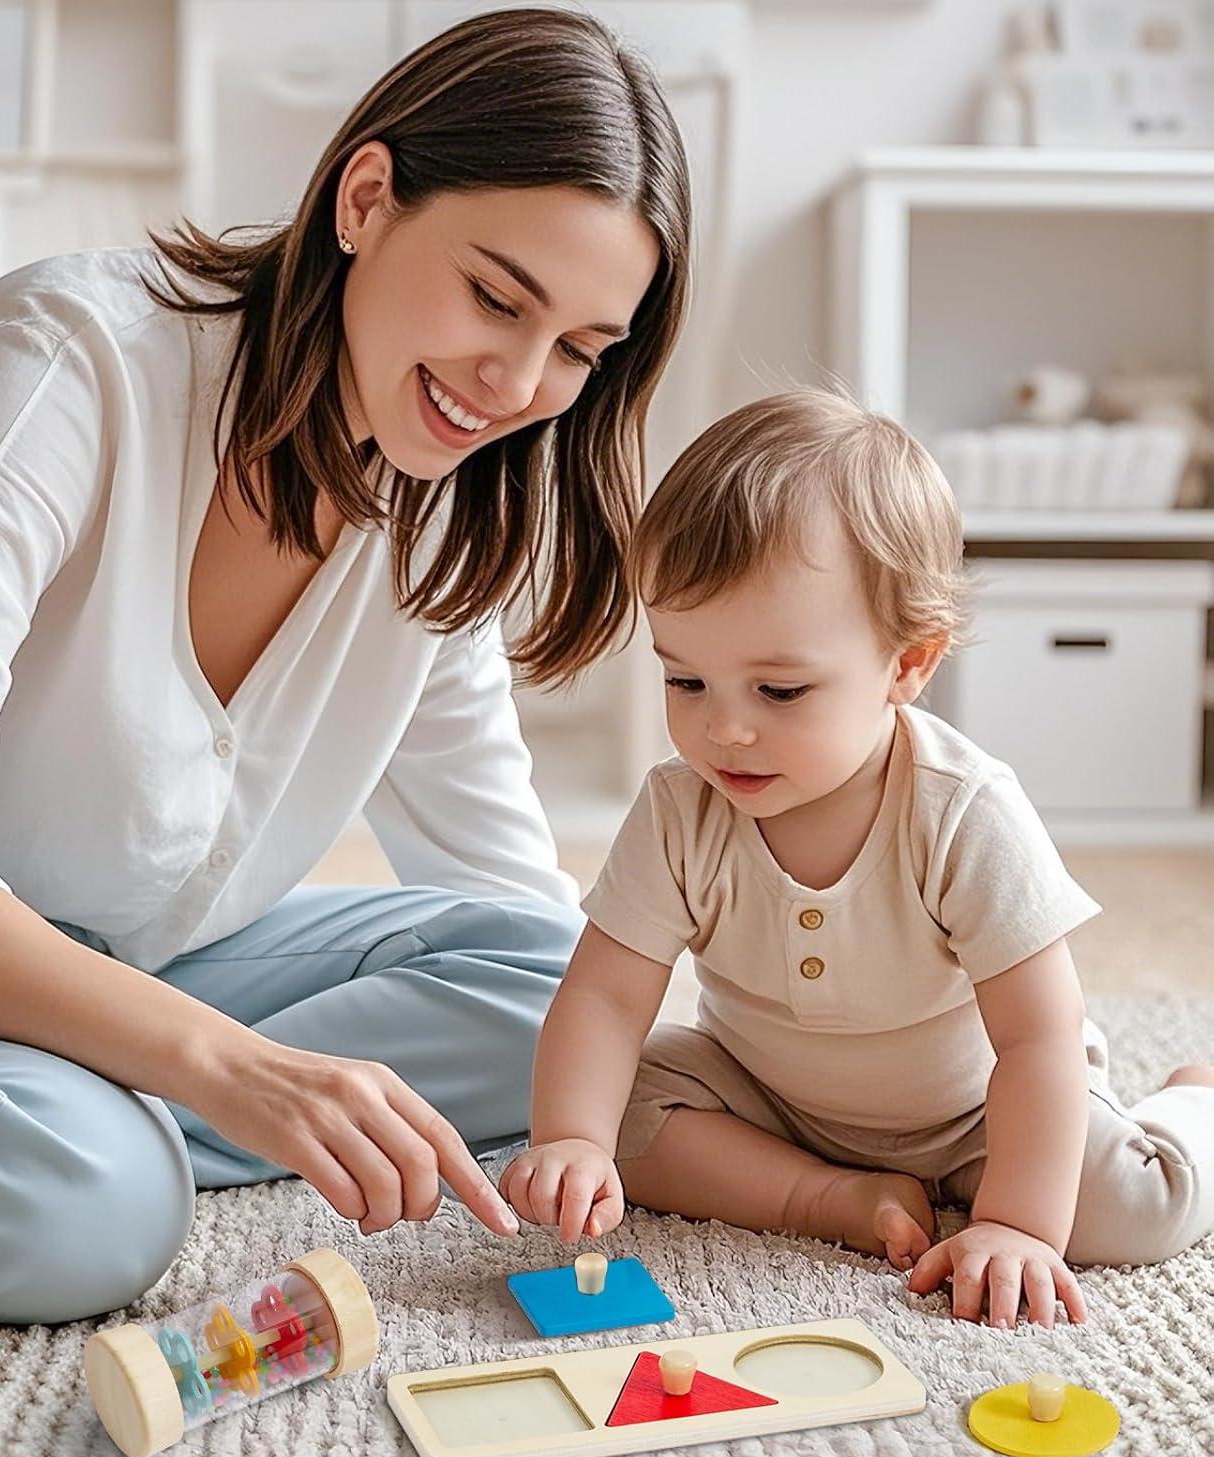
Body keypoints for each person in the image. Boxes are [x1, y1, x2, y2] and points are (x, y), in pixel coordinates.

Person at [0, 8, 692, 1333]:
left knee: (560, 996)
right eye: (495, 296)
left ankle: (44, 1103)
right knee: (94, 1191)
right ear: (367, 198)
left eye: (580, 349)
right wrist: (230, 1069)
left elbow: (503, 894)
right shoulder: (68, 364)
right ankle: (68, 1122)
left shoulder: (445, 497)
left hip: (122, 951)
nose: (516, 380)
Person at [500, 389, 1214, 1328]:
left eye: (781, 689)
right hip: (768, 1095)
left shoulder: (962, 810)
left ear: (908, 666)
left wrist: (1018, 1226)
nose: (723, 727)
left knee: (1133, 1208)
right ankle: (827, 1196)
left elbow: (1038, 1037)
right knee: (612, 1109)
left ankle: (1192, 1102)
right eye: (686, 678)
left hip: (977, 1112)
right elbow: (603, 996)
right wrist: (572, 1140)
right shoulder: (681, 809)